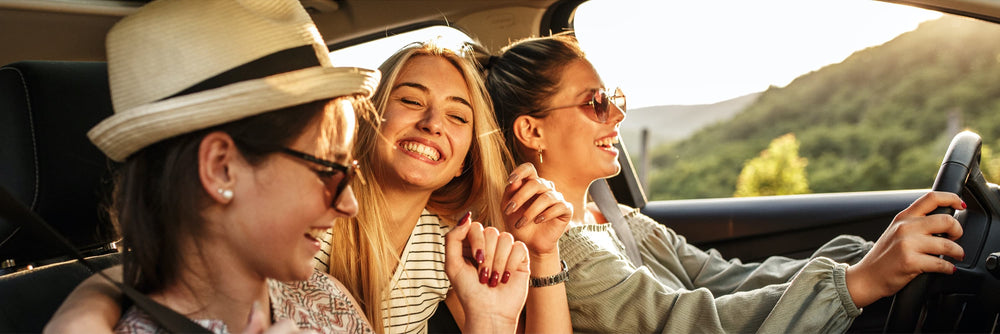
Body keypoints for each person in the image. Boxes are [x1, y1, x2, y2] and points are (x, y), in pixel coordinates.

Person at [46, 0, 532, 333]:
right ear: (220, 168)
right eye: (325, 171)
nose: (348, 203)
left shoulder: (326, 299)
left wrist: (489, 321)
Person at [483, 33, 966, 333]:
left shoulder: (615, 218)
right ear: (533, 131)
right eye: (595, 104)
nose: (618, 113)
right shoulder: (565, 256)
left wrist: (864, 256)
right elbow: (680, 323)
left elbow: (723, 279)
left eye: (614, 98)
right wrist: (857, 283)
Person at [325, 41, 572, 334]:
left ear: (463, 163)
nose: (433, 124)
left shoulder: (449, 247)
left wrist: (543, 255)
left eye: (457, 116)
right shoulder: (308, 224)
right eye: (412, 101)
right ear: (367, 118)